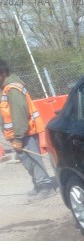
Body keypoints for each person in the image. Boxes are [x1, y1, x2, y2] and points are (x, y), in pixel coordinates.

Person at [0, 59, 57, 200]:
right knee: (27, 161)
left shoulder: (12, 89)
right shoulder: (6, 88)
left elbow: (19, 114)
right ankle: (38, 184)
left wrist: (18, 138)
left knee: (32, 159)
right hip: (19, 133)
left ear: (3, 73)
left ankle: (45, 186)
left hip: (25, 133)